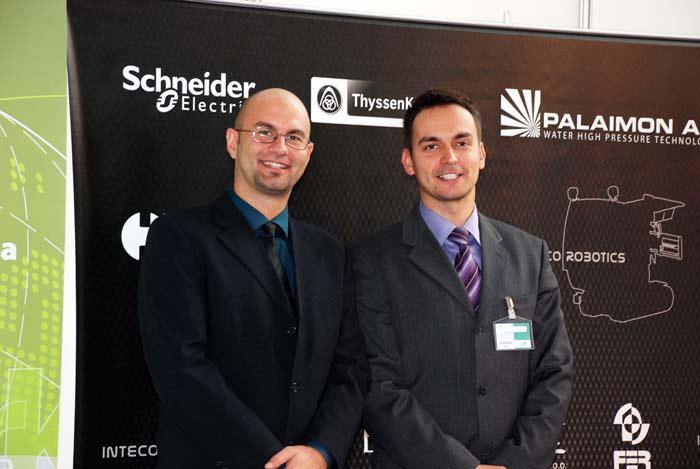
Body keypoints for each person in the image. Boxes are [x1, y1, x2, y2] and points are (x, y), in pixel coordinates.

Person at [138, 88, 369, 469]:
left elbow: (349, 370)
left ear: (308, 153)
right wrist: (275, 461)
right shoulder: (178, 237)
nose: (279, 147)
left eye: (294, 137)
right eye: (264, 132)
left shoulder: (330, 253)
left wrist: (321, 451)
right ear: (233, 142)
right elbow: (181, 367)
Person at [351, 88, 572, 469]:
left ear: (481, 154)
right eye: (431, 146)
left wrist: (513, 463)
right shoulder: (372, 260)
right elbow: (379, 384)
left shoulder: (530, 255)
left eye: (462, 142)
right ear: (408, 161)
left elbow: (554, 371)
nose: (449, 157)